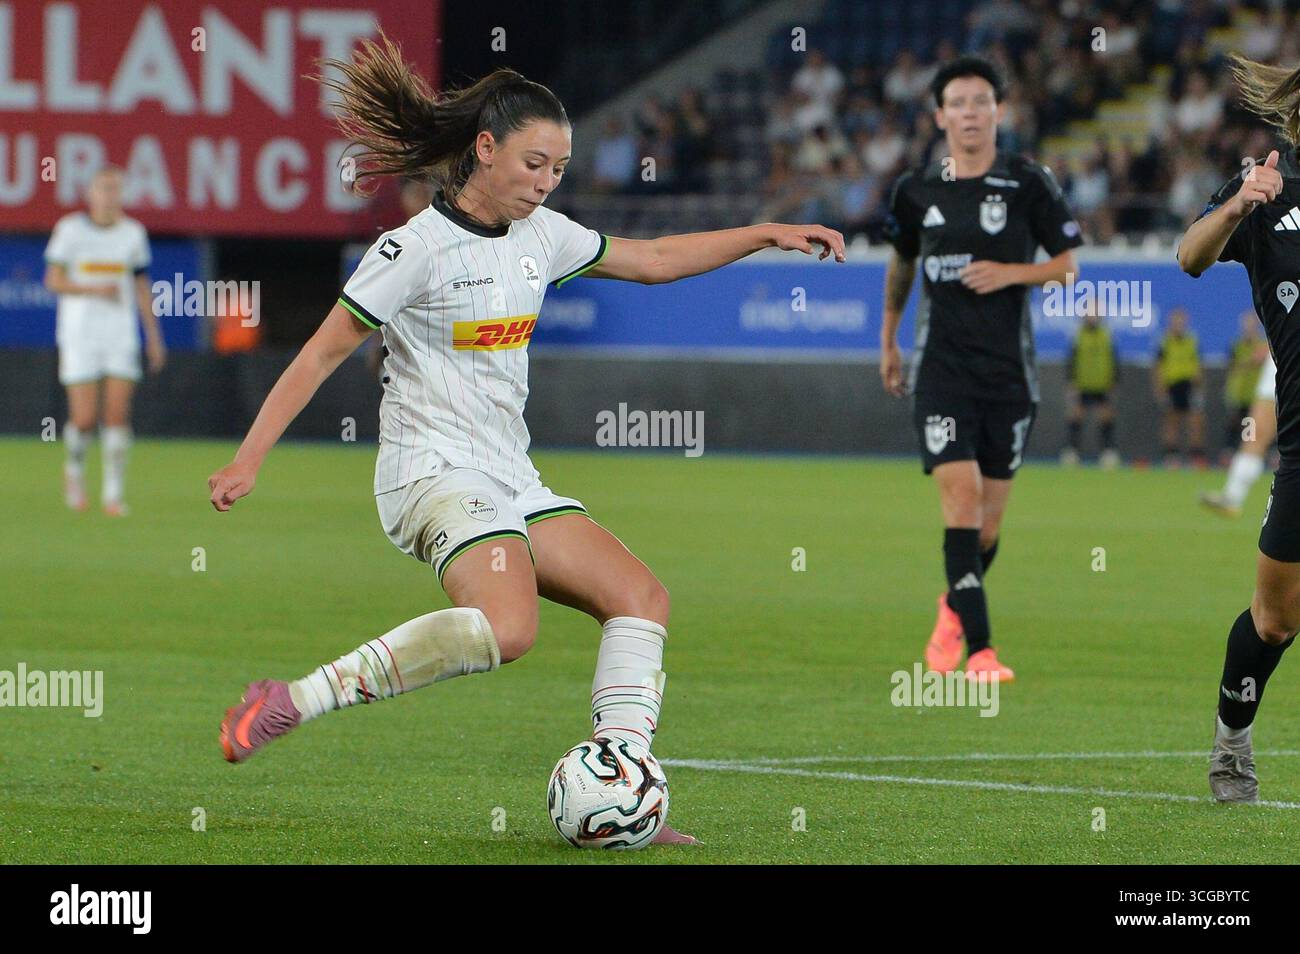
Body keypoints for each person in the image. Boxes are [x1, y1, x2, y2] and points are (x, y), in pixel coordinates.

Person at [205, 38, 845, 844]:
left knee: (640, 600)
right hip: (431, 474)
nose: (546, 183)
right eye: (535, 164)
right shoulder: (413, 249)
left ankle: (623, 794)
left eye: (558, 170)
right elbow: (321, 352)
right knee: (509, 632)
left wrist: (762, 232)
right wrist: (250, 457)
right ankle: (291, 701)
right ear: (485, 149)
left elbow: (649, 259)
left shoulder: (542, 236)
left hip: (509, 477)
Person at [881, 55, 1082, 682]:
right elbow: (902, 267)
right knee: (962, 501)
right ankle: (983, 652)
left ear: (999, 111)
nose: (970, 112)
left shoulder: (1028, 181)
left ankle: (952, 605)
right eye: (958, 103)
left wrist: (1011, 274)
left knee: (988, 525)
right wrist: (887, 341)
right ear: (940, 116)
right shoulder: (916, 190)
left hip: (1009, 376)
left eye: (981, 101)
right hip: (941, 370)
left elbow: (1068, 264)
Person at [1177, 53, 1300, 802]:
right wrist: (1237, 205)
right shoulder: (1269, 186)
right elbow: (1188, 258)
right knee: (1276, 619)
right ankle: (1232, 746)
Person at [43, 166, 166, 516]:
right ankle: (74, 468)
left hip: (119, 333)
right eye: (104, 188)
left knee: (116, 415)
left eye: (116, 189)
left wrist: (153, 335)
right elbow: (53, 280)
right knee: (83, 419)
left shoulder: (132, 234)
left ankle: (112, 494)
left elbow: (142, 287)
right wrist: (94, 289)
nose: (110, 195)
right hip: (79, 333)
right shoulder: (69, 230)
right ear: (90, 194)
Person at [1201, 352, 1277, 517]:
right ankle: (1232, 496)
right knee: (1253, 434)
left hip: (1283, 358)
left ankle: (1232, 496)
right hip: (1281, 361)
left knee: (1255, 435)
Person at [1061, 303, 1121, 469]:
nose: (1092, 315)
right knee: (1076, 416)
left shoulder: (1107, 334)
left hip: (1102, 384)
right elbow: (1071, 360)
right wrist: (1071, 383)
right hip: (1082, 384)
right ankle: (1071, 452)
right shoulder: (1078, 335)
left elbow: (1114, 360)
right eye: (1089, 312)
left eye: (1095, 312)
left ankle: (1108, 453)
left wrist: (1114, 382)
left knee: (1106, 417)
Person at [1152, 307, 1206, 467]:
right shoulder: (1164, 341)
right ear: (1170, 323)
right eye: (1175, 321)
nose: (1178, 324)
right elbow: (1158, 366)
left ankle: (1195, 457)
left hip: (1190, 385)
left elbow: (1198, 364)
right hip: (1171, 385)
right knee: (1171, 421)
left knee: (1196, 421)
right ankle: (1171, 456)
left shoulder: (1192, 341)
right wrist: (1159, 388)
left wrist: (1199, 386)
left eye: (1181, 321)